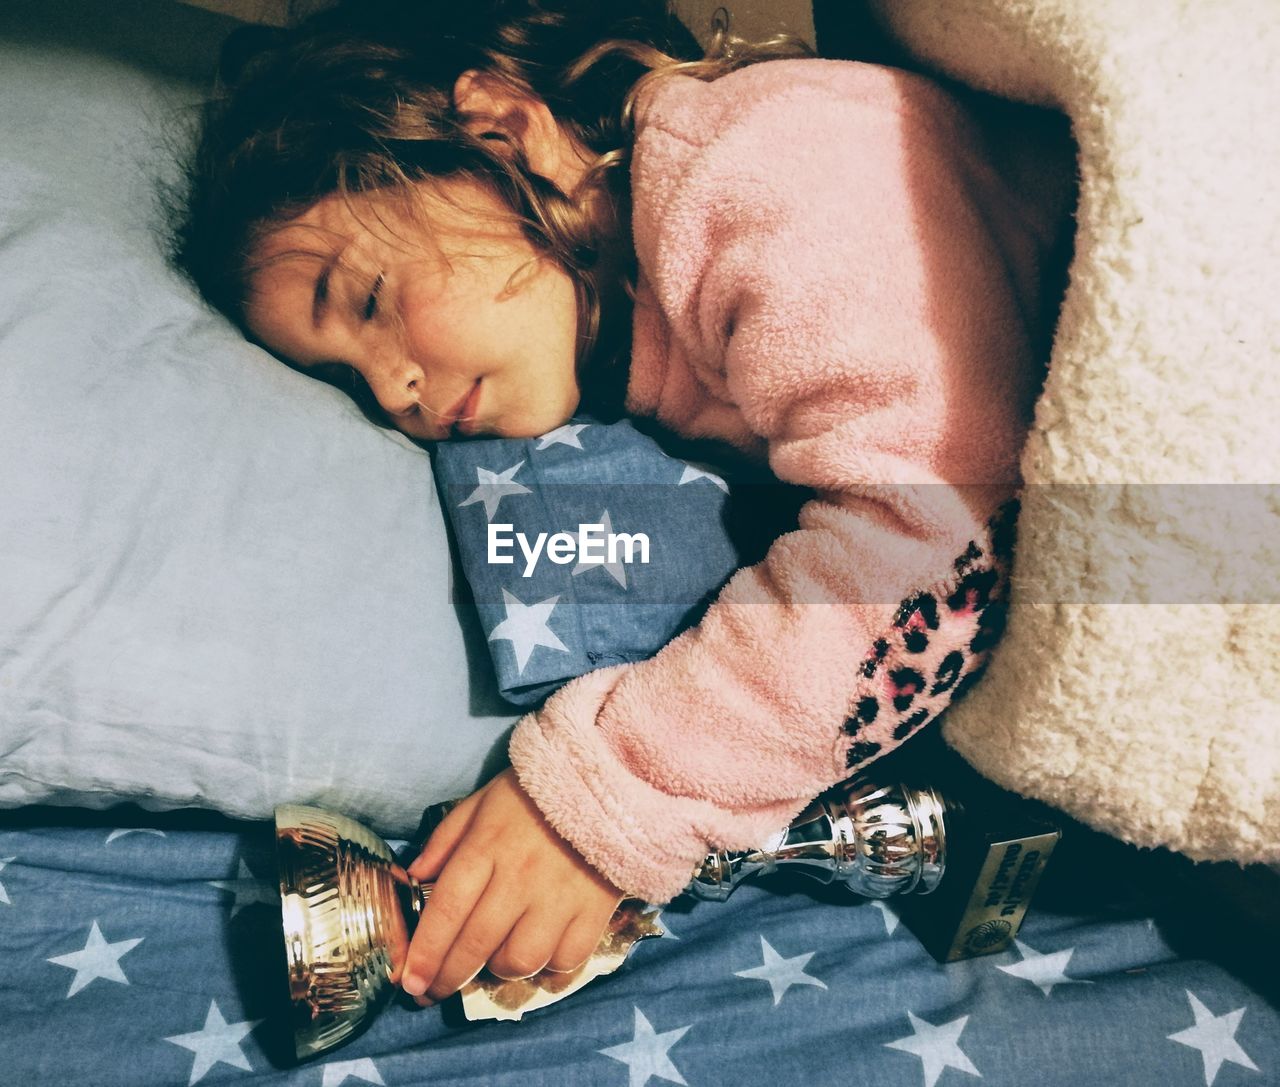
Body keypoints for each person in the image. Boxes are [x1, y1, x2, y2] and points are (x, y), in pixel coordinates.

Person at [173, 0, 1072, 1007]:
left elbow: (939, 532)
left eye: (372, 300)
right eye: (347, 380)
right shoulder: (621, 340)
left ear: (502, 132)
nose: (392, 394)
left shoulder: (759, 163)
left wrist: (608, 795)